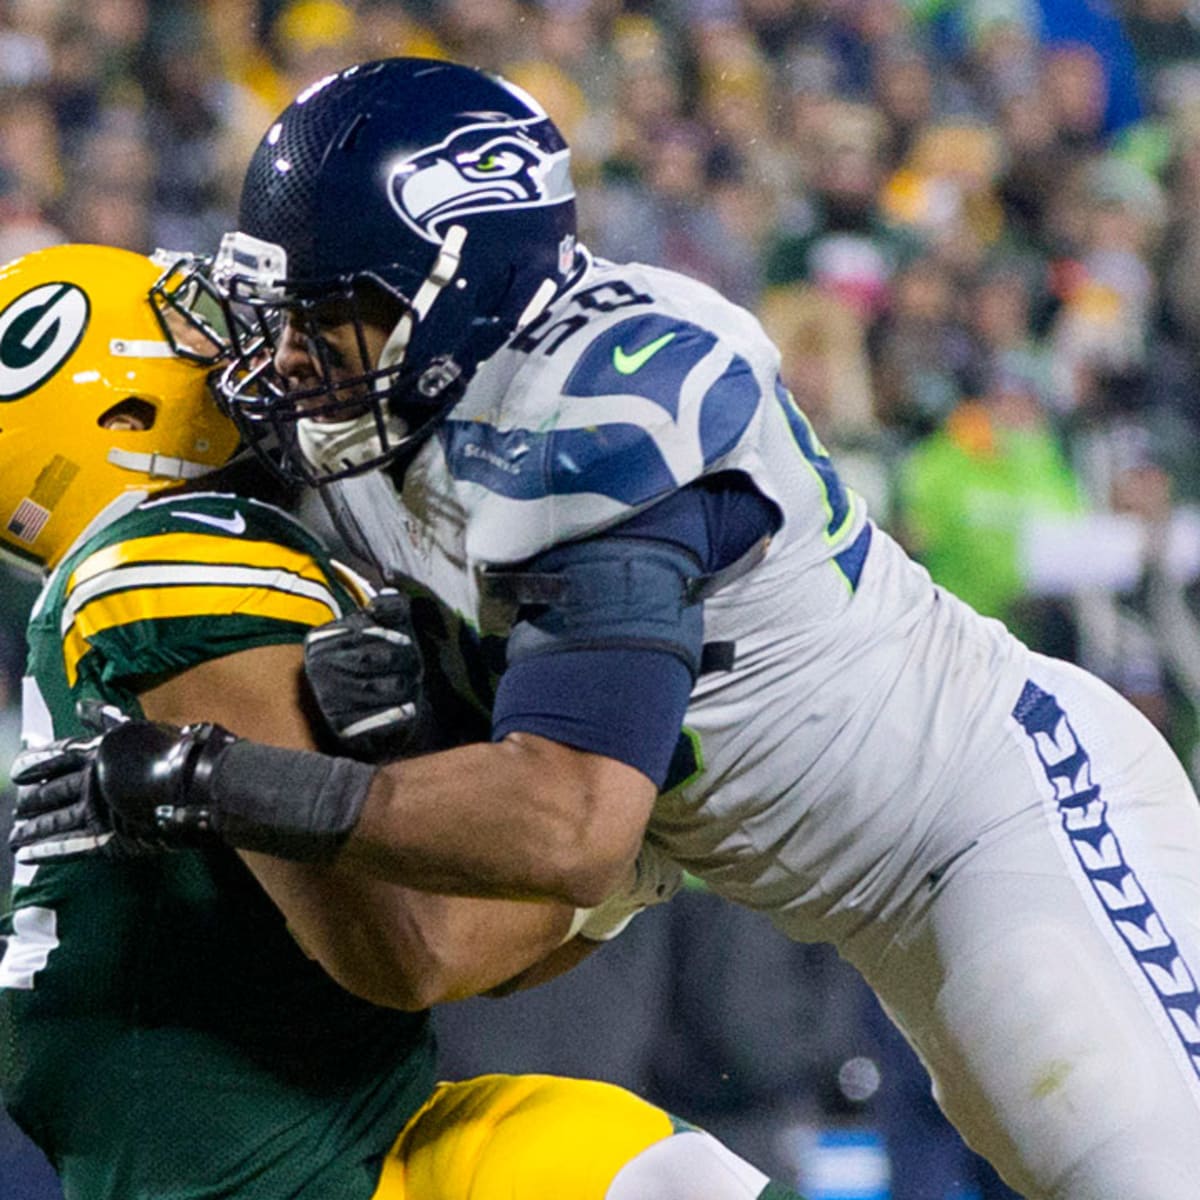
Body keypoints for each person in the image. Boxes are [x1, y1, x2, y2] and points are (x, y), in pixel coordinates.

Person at [13, 59, 1200, 1199]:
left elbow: (573, 822)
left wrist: (219, 783)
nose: (288, 361)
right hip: (752, 852)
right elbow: (463, 923)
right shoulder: (383, 412)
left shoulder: (608, 401)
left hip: (989, 819)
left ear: (455, 292)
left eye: (332, 321)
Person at [0, 242, 805, 1200]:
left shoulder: (214, 561)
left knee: (663, 1174)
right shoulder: (168, 558)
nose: (270, 351)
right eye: (199, 334)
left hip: (346, 1127)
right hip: (259, 1170)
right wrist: (611, 843)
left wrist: (587, 860)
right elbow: (416, 948)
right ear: (123, 413)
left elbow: (473, 956)